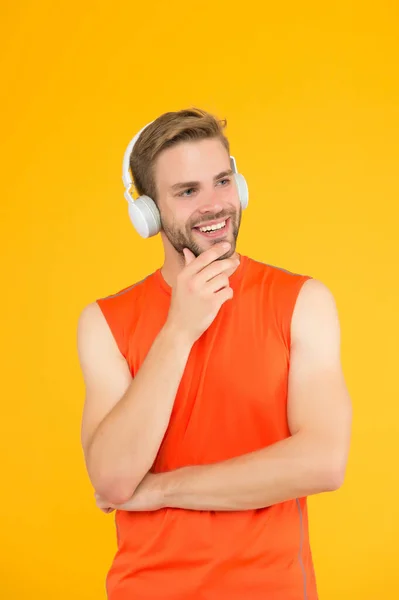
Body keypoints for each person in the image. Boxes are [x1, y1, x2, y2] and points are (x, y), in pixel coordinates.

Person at [77, 107, 352, 599]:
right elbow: (114, 479)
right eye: (187, 191)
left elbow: (323, 462)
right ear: (149, 213)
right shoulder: (104, 323)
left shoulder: (302, 302)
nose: (215, 205)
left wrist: (161, 490)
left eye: (222, 181)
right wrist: (179, 330)